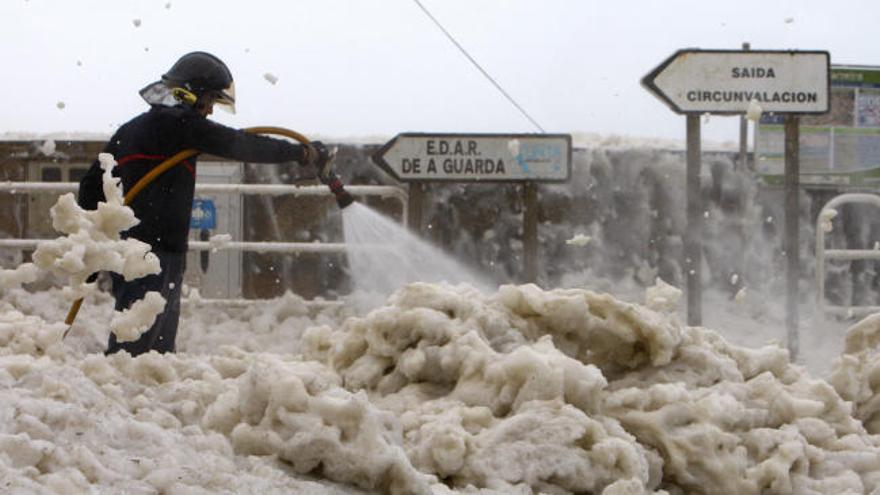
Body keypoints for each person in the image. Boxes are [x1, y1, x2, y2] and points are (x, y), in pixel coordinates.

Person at [77, 51, 337, 357]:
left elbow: (91, 184)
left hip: (145, 249)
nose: (210, 111)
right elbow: (240, 144)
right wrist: (301, 154)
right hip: (151, 252)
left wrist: (92, 246)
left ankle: (140, 396)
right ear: (190, 95)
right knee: (138, 347)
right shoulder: (176, 124)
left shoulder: (133, 129)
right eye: (210, 101)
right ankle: (121, 395)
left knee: (150, 346)